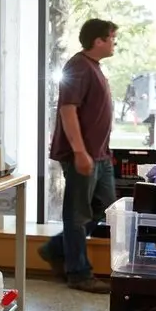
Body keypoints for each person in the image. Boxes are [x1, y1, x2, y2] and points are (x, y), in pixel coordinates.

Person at [39, 18, 118, 295]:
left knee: (106, 208)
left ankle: (54, 249)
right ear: (98, 41)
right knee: (77, 215)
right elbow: (68, 111)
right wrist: (80, 152)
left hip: (101, 156)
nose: (114, 43)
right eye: (112, 38)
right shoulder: (78, 66)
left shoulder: (94, 67)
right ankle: (79, 273)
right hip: (82, 155)